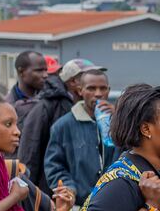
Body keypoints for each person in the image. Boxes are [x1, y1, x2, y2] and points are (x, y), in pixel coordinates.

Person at [18, 58, 100, 184]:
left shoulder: (97, 112)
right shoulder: (47, 107)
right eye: (88, 76)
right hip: (53, 192)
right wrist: (30, 193)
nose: (98, 92)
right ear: (74, 82)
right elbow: (30, 152)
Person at [43, 66, 116, 199]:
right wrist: (69, 189)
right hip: (80, 205)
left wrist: (120, 119)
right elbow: (54, 166)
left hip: (113, 200)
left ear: (109, 91)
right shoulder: (63, 126)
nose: (98, 93)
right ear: (80, 91)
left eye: (103, 88)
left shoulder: (118, 122)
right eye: (91, 88)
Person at [6, 50, 49, 125]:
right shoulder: (6, 106)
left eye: (46, 70)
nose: (45, 75)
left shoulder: (50, 101)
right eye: (39, 70)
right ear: (21, 72)